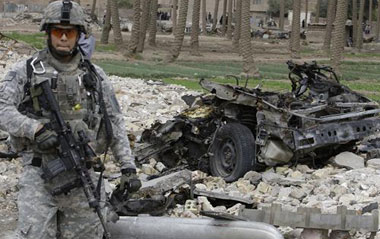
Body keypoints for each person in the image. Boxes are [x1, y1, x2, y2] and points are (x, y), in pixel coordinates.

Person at [0, 1, 141, 238]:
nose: (63, 38)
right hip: (40, 176)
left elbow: (114, 122)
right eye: (57, 31)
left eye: (70, 32)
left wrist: (128, 167)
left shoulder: (95, 76)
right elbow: (2, 107)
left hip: (83, 175)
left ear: (79, 35)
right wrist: (34, 129)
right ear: (48, 33)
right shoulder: (26, 70)